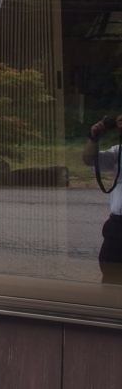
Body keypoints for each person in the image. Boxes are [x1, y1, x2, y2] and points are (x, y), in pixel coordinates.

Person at [83, 115, 122, 282]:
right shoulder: (118, 151)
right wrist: (94, 138)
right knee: (111, 278)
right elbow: (89, 160)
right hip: (117, 227)